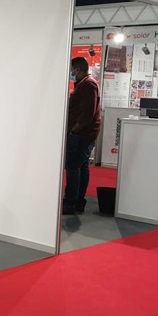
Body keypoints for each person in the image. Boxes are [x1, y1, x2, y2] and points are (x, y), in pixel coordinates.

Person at [63, 56, 101, 214]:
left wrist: (75, 129)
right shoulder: (85, 84)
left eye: (71, 69)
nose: (70, 73)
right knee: (81, 167)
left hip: (81, 135)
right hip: (83, 134)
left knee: (73, 167)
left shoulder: (87, 85)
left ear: (77, 69)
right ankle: (78, 201)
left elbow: (87, 112)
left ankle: (70, 202)